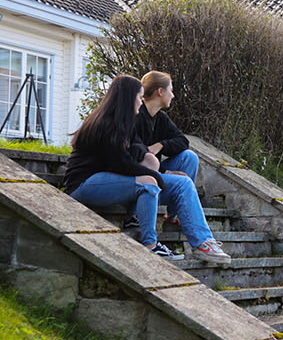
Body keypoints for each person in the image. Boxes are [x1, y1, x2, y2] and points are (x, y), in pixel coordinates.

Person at [62, 74, 230, 262]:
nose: (141, 102)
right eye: (138, 97)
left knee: (182, 183)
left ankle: (203, 243)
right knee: (149, 181)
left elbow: (135, 148)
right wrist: (158, 174)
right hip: (85, 184)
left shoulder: (126, 122)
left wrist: (149, 157)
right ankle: (150, 245)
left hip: (112, 180)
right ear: (128, 98)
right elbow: (118, 164)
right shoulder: (105, 123)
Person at [135, 70, 200, 181]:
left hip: (157, 169)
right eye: (171, 90)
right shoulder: (136, 116)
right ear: (160, 91)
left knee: (190, 157)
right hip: (140, 172)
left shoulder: (161, 118)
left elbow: (183, 141)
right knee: (183, 182)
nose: (173, 96)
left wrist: (161, 145)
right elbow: (135, 157)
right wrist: (165, 172)